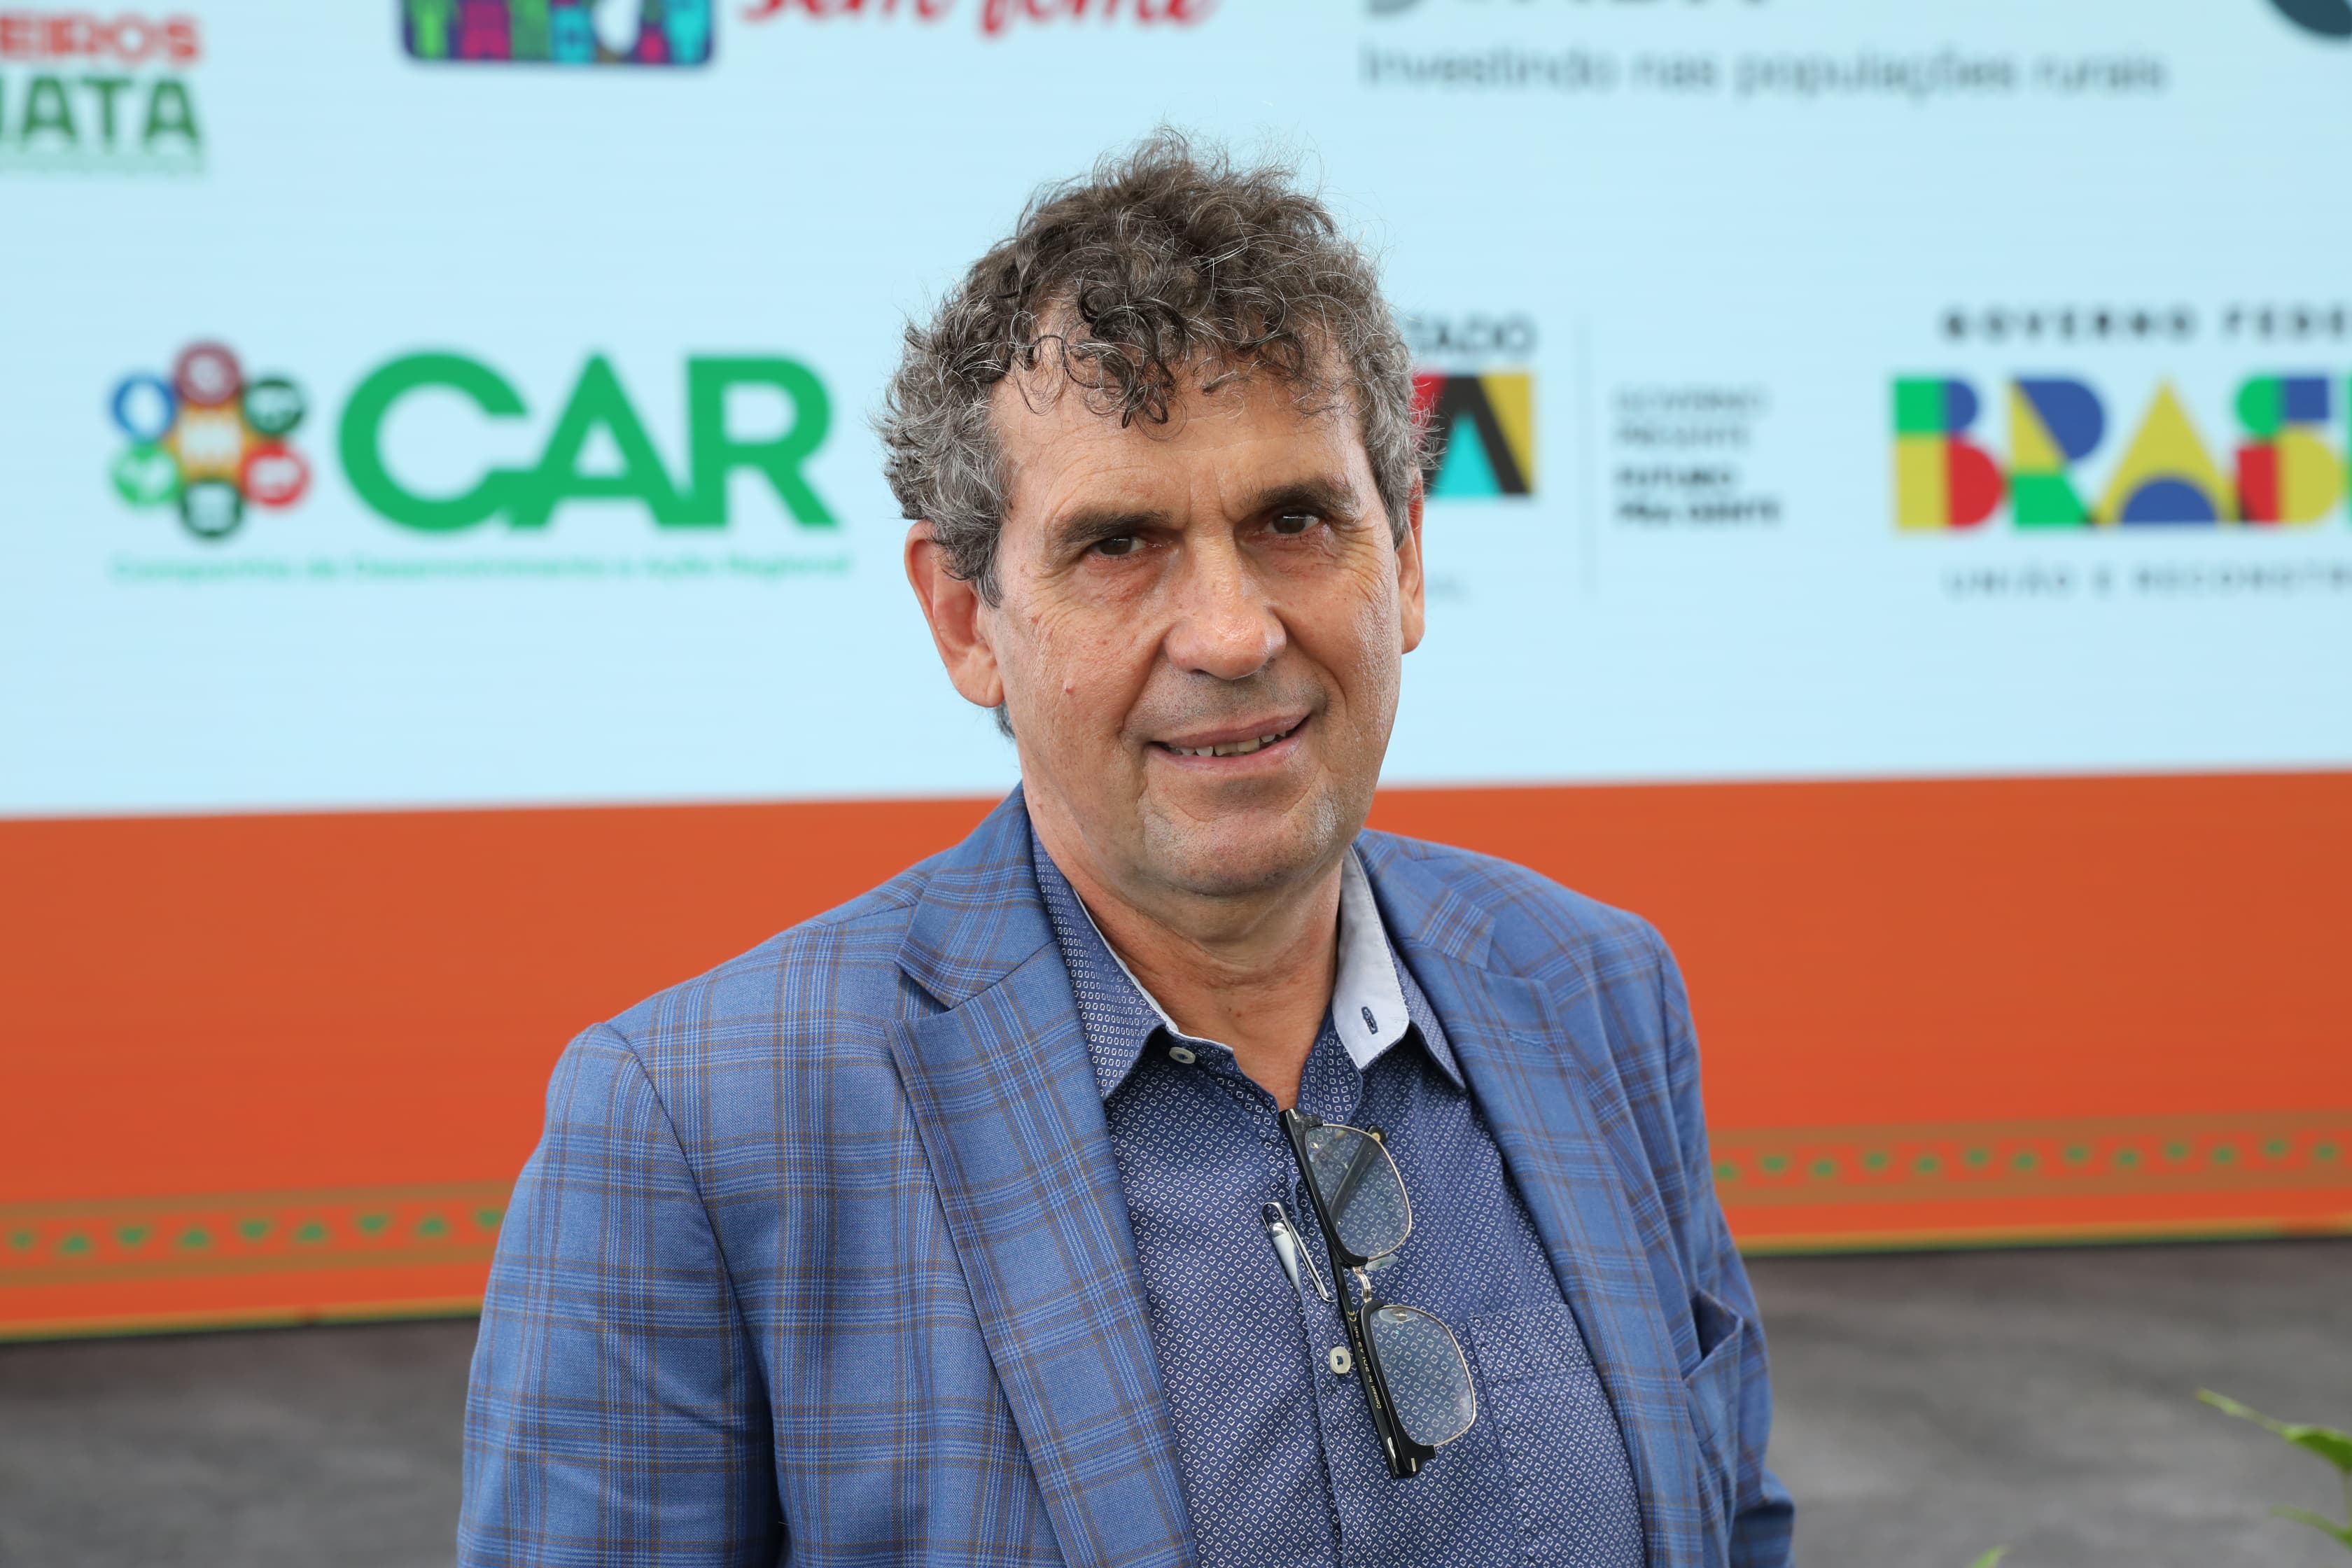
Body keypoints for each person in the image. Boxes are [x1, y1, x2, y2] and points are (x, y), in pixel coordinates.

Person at [461, 132, 1793, 1568]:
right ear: (966, 618)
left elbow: (1728, 1520)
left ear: (1405, 557)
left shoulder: (1593, 992)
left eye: (1295, 519)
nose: (1231, 633)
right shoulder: (700, 1131)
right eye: (1118, 545)